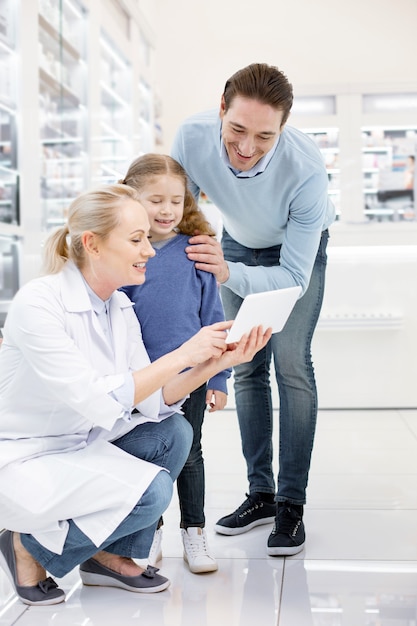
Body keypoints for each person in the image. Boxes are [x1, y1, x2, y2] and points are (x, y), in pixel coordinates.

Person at [0, 183, 271, 606]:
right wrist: (183, 352)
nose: (149, 250)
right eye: (136, 239)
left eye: (147, 237)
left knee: (176, 432)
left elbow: (151, 399)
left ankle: (104, 557)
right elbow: (93, 398)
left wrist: (216, 364)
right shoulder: (39, 303)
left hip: (83, 442)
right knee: (152, 493)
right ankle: (25, 546)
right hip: (29, 455)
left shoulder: (117, 307)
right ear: (92, 244)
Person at [171, 62, 336, 556]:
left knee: (292, 366)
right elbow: (176, 210)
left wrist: (225, 273)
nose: (246, 147)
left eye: (264, 136)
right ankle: (260, 494)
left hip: (294, 252)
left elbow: (293, 277)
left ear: (282, 130)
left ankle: (291, 504)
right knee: (244, 366)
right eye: (237, 129)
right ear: (220, 109)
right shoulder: (192, 137)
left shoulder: (306, 170)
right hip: (238, 244)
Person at [119, 154, 230, 574]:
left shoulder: (196, 251)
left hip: (193, 375)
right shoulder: (126, 253)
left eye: (176, 201)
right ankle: (150, 533)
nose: (167, 211)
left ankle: (195, 533)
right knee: (146, 454)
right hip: (142, 378)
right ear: (131, 199)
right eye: (155, 200)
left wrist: (219, 375)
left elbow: (212, 317)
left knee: (190, 453)